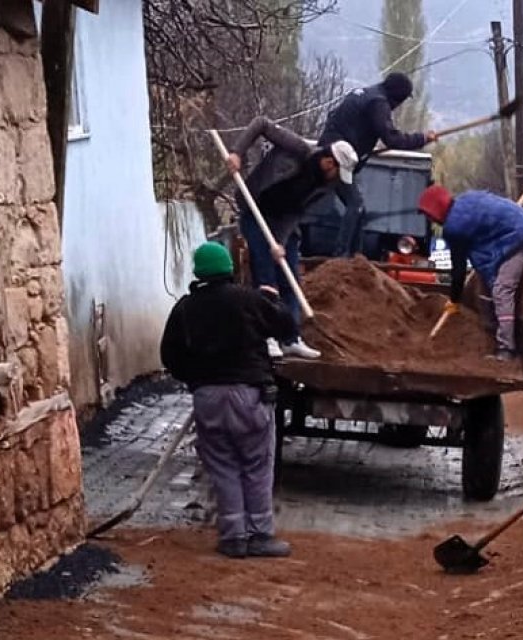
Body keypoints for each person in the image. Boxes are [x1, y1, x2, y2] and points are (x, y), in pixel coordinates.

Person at [159, 242, 297, 559]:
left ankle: (233, 537)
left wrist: (196, 380)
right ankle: (260, 534)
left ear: (198, 272)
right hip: (249, 395)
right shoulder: (249, 300)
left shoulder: (185, 308)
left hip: (208, 398)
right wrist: (273, 300)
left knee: (223, 467)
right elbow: (286, 326)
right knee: (257, 465)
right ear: (228, 269)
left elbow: (169, 356)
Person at [226, 116, 359, 359]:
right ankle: (266, 337)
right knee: (265, 276)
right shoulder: (298, 149)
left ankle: (290, 338)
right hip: (256, 211)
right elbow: (260, 124)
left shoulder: (324, 186)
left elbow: (296, 211)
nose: (338, 180)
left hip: (282, 223)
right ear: (329, 162)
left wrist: (281, 241)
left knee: (290, 281)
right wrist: (237, 153)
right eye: (338, 172)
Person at [318, 72, 438, 257]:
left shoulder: (365, 93)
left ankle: (356, 257)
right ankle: (341, 256)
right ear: (397, 97)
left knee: (359, 209)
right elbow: (392, 139)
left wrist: (361, 146)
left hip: (331, 150)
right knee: (355, 205)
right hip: (336, 158)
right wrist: (422, 138)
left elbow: (336, 117)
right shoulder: (378, 103)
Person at [416, 185, 523, 360]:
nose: (430, 219)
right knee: (488, 286)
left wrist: (454, 300)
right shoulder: (466, 199)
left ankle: (507, 349)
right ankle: (491, 338)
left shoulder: (455, 226)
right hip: (521, 227)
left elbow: (458, 269)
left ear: (437, 209)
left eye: (428, 214)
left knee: (501, 290)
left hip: (520, 238)